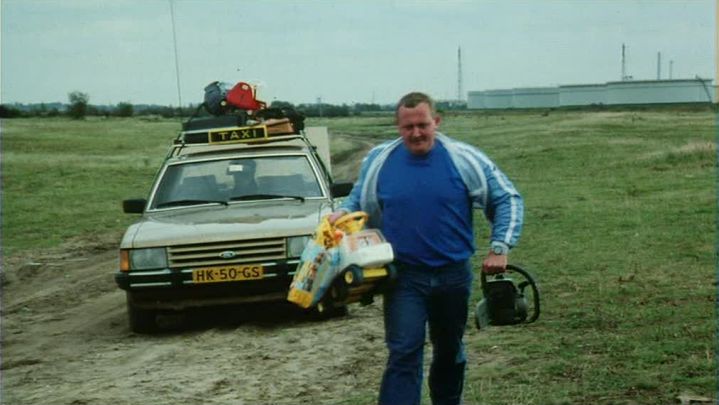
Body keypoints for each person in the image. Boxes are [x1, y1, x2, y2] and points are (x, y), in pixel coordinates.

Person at [328, 92, 524, 405]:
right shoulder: (379, 161)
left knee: (449, 350)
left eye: (423, 124)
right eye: (408, 127)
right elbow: (356, 199)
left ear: (436, 122)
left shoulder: (464, 159)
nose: (416, 133)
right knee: (404, 351)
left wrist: (499, 247)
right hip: (403, 277)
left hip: (453, 275)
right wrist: (342, 213)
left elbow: (506, 198)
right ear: (397, 126)